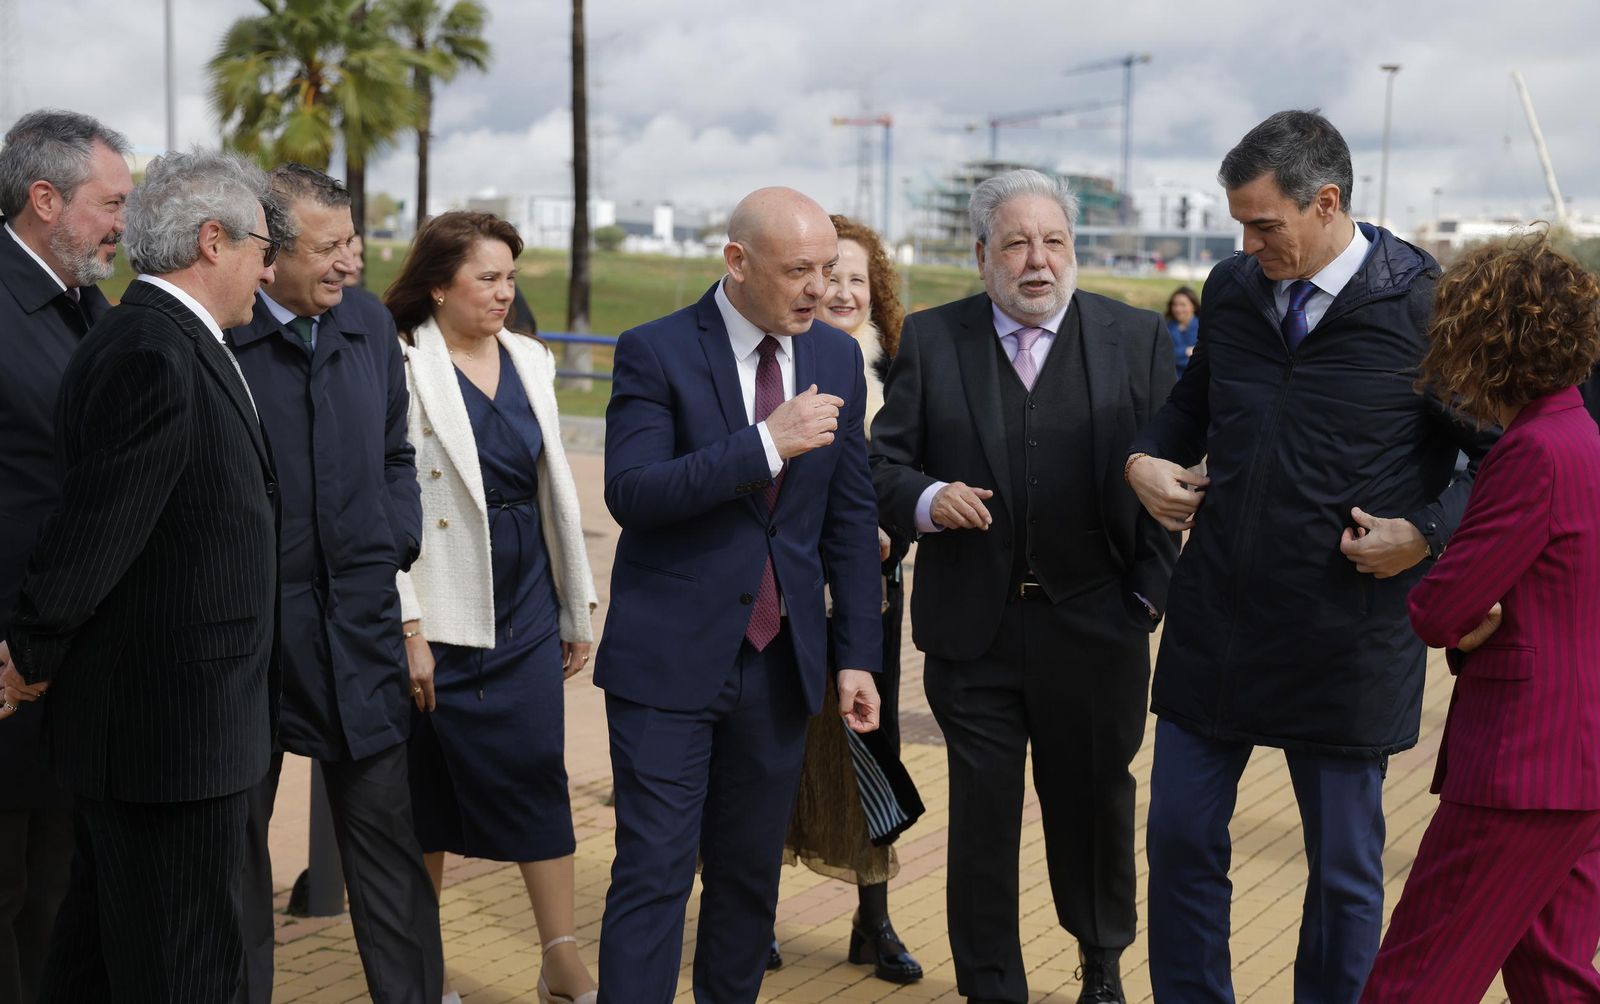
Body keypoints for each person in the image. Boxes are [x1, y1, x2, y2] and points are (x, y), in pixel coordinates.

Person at [1125, 110, 1497, 1004]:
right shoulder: (1232, 287)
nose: (1249, 245)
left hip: (1347, 632)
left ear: (1326, 202)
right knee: (1177, 838)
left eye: (1265, 225)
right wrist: (1142, 459)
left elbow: (1499, 458)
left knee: (1340, 875)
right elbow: (1191, 405)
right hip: (1216, 618)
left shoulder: (1425, 305)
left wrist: (1428, 535)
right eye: (1240, 227)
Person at [871, 168, 1178, 1004]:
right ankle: (991, 985)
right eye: (1016, 243)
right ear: (981, 255)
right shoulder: (933, 341)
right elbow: (882, 464)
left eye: (1054, 242)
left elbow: (1175, 474)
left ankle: (1103, 963)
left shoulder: (1136, 339)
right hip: (975, 633)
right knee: (981, 821)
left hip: (1100, 626)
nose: (1037, 261)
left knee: (1095, 807)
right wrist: (929, 501)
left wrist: (1147, 596)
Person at [0, 149, 278, 1001]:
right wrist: (32, 651)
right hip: (168, 734)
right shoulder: (152, 349)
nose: (268, 265)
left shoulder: (166, 336)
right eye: (261, 244)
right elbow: (97, 529)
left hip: (184, 725)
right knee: (182, 966)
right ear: (211, 240)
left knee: (99, 957)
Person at [595, 187, 883, 1004]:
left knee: (749, 883)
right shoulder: (653, 350)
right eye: (799, 271)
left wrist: (858, 654)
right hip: (668, 666)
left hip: (780, 665)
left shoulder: (834, 358)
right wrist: (765, 444)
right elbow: (633, 492)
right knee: (653, 876)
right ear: (737, 262)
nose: (821, 290)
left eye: (828, 269)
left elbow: (851, 517)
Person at [1359, 236, 1600, 1002]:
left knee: (1415, 980)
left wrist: (1466, 614)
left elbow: (1439, 607)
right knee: (1553, 975)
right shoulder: (1585, 439)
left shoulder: (1530, 453)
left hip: (1521, 768)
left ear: (1480, 345)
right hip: (1581, 761)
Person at [228, 164, 441, 1004]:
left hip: (358, 628)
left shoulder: (364, 324)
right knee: (236, 860)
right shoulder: (222, 332)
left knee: (388, 853)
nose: (351, 262)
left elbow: (397, 453)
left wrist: (395, 540)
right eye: (330, 248)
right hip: (251, 639)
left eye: (353, 241)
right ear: (268, 254)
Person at [386, 211, 599, 1004]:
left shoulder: (531, 359)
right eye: (487, 277)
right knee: (427, 785)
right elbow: (387, 507)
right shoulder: (401, 365)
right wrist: (407, 623)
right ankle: (420, 965)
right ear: (438, 285)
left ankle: (561, 957)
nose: (505, 292)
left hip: (526, 598)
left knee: (538, 770)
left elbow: (557, 495)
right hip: (443, 603)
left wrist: (575, 608)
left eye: (511, 277)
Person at [0, 108, 130, 1004]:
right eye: (110, 202)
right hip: (6, 665)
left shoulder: (92, 305)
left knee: (55, 889)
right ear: (45, 199)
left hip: (72, 665)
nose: (123, 222)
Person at [778, 214, 924, 983]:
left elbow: (914, 476)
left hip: (872, 593)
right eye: (828, 274)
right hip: (788, 591)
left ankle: (875, 921)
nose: (841, 290)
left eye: (857, 279)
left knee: (872, 749)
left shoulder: (900, 371)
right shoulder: (780, 364)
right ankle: (755, 910)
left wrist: (889, 527)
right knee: (775, 744)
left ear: (879, 292)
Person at [1164, 286, 1200, 379]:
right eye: (1175, 304)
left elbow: (1201, 360)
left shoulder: (1203, 328)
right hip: (1172, 381)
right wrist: (1186, 351)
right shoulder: (1166, 327)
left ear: (1194, 306)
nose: (1178, 309)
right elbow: (1164, 356)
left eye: (1183, 305)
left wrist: (1177, 354)